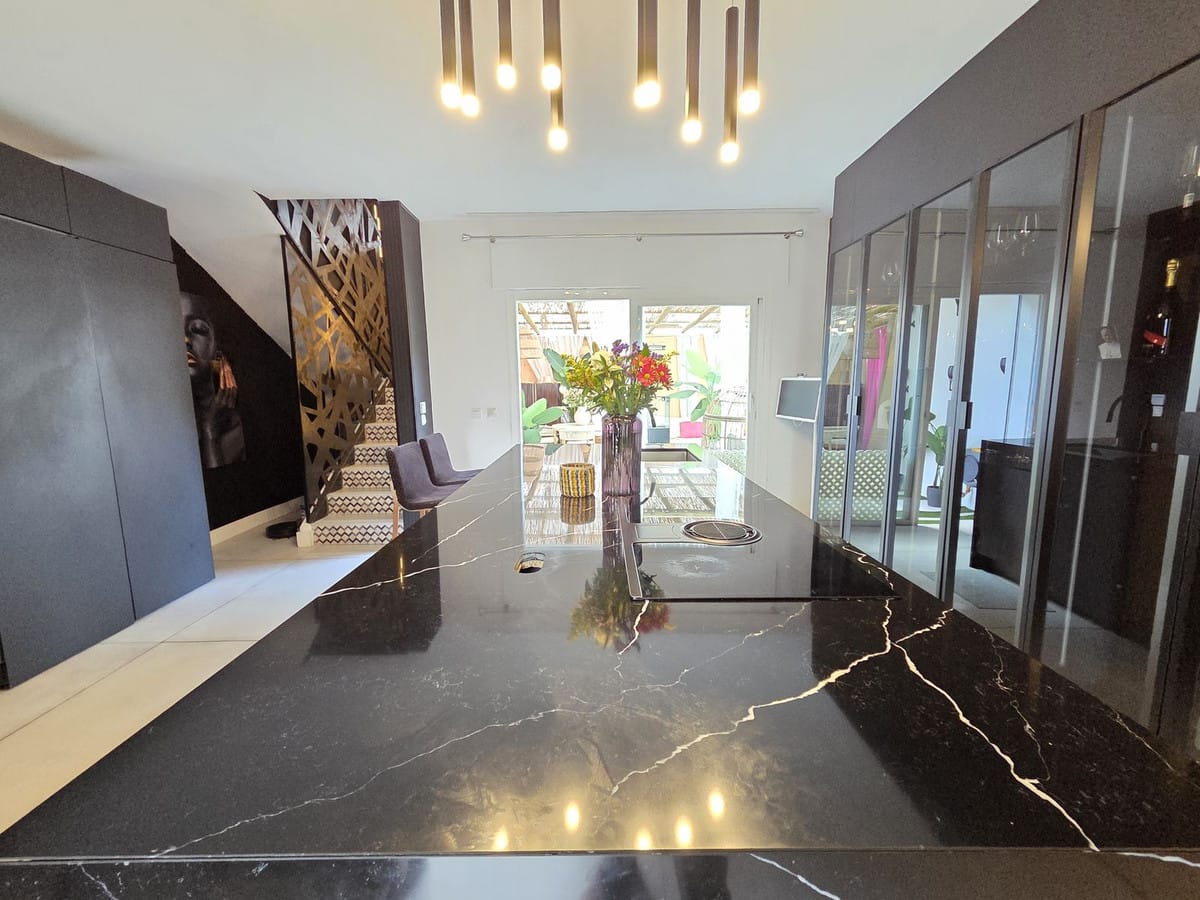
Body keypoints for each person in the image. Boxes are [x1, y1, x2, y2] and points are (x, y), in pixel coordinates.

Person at [182, 292, 245, 468]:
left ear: (217, 343)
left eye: (197, 329)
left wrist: (210, 431)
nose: (185, 339)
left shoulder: (234, 426)